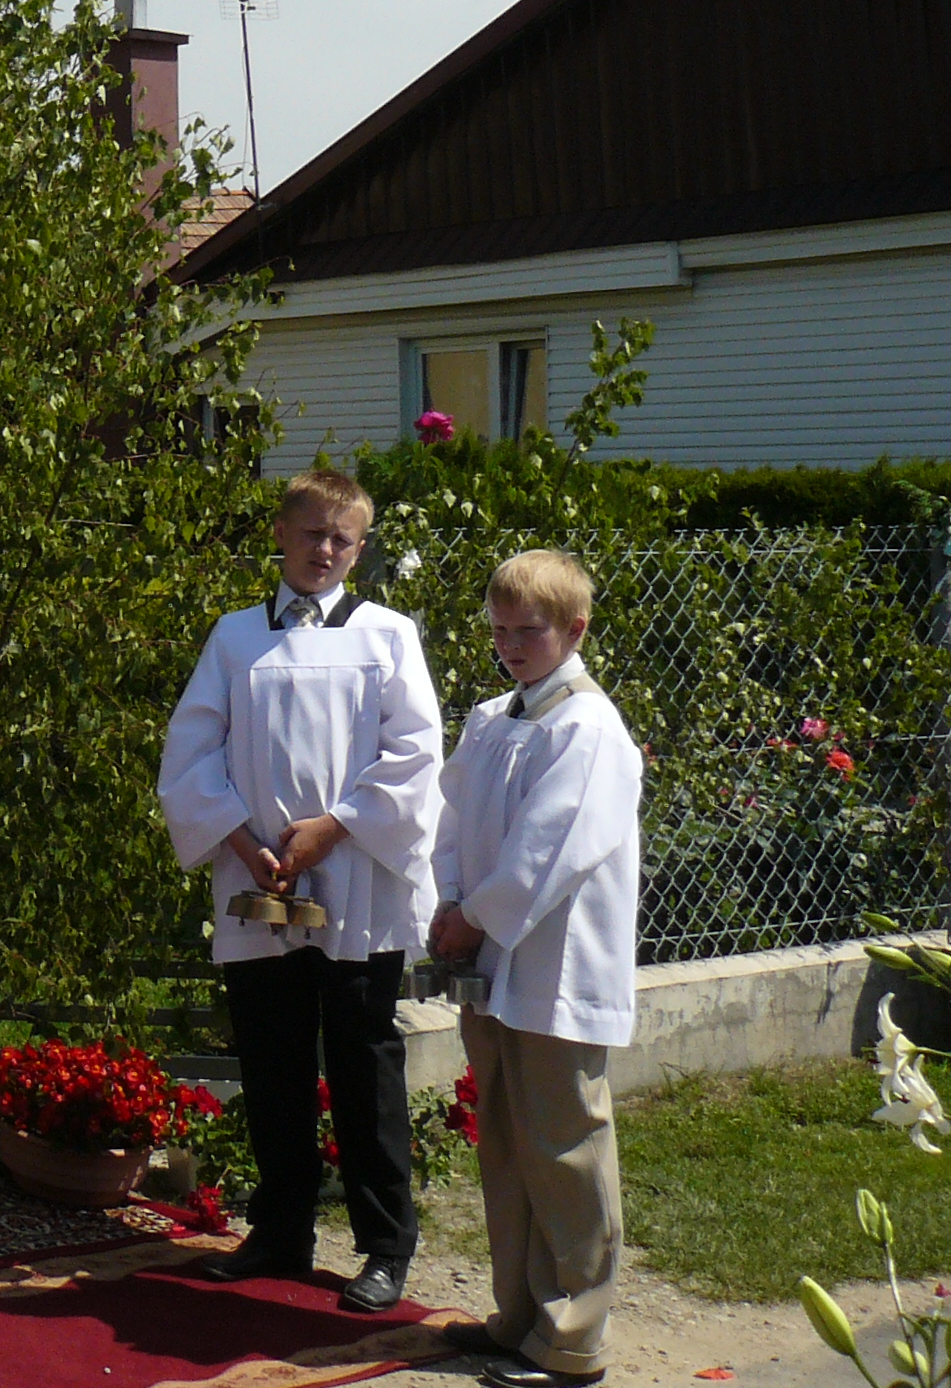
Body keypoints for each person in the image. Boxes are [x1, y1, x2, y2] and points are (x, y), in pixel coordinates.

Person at [157, 466, 442, 1315]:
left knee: (363, 1062)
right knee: (272, 1059)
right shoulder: (236, 638)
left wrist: (335, 827)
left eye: (342, 539)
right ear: (281, 533)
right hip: (259, 879)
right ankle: (281, 1229)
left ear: (361, 548)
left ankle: (385, 1244)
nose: (325, 550)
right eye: (312, 533)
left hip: (356, 880)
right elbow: (191, 754)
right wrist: (244, 842)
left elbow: (416, 755)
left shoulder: (387, 636)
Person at [430, 551, 639, 1388]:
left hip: (555, 967)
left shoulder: (587, 730)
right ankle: (518, 1315)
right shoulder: (492, 720)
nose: (511, 646)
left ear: (576, 630)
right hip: (490, 958)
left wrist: (474, 915)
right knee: (510, 1145)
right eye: (499, 631)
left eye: (530, 631)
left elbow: (547, 852)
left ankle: (573, 1335)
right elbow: (451, 821)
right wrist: (450, 900)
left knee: (564, 1146)